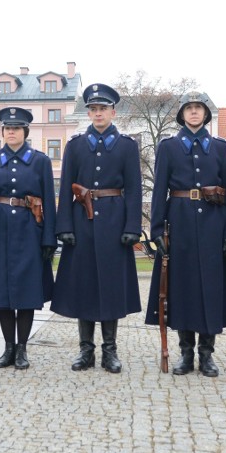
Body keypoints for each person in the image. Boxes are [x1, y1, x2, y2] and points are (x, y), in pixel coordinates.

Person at [144, 91, 226, 377]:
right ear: (182, 114)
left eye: (199, 108)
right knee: (182, 289)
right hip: (180, 224)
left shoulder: (221, 148)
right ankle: (186, 353)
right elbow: (159, 189)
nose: (194, 113)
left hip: (214, 224)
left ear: (206, 114)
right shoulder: (169, 147)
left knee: (211, 291)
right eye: (189, 108)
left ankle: (207, 354)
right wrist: (158, 229)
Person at [52, 83, 142, 374]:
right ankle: (85, 350)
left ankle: (109, 351)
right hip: (81, 222)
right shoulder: (75, 146)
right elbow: (65, 186)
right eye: (93, 109)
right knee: (84, 287)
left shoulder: (127, 146)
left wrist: (133, 226)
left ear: (113, 112)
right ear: (88, 112)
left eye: (103, 108)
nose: (98, 113)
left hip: (115, 223)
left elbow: (134, 189)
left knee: (112, 288)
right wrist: (64, 224)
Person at [0, 106, 57, 370]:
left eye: (16, 128)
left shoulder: (40, 161)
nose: (11, 132)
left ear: (25, 132)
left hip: (31, 229)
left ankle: (22, 349)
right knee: (2, 293)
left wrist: (49, 239)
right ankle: (8, 348)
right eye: (7, 129)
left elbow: (50, 203)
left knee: (27, 292)